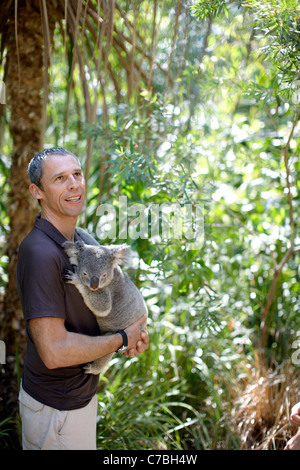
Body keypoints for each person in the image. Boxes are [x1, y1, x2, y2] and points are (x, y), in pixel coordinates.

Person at [17, 147, 149, 450]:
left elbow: (117, 293)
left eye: (77, 174)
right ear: (36, 191)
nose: (74, 184)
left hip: (80, 398)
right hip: (56, 410)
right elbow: (54, 352)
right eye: (60, 178)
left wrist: (136, 331)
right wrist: (121, 339)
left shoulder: (84, 240)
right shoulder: (40, 254)